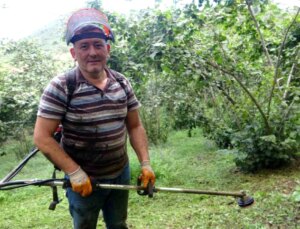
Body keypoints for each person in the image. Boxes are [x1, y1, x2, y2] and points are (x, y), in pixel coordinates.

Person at [33, 8, 155, 229]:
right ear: (74, 53)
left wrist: (145, 164)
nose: (92, 52)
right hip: (84, 179)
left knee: (118, 224)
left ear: (107, 49)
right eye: (84, 46)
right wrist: (74, 172)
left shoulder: (122, 83)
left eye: (98, 45)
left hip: (120, 172)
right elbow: (42, 138)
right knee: (84, 225)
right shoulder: (61, 86)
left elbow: (135, 126)